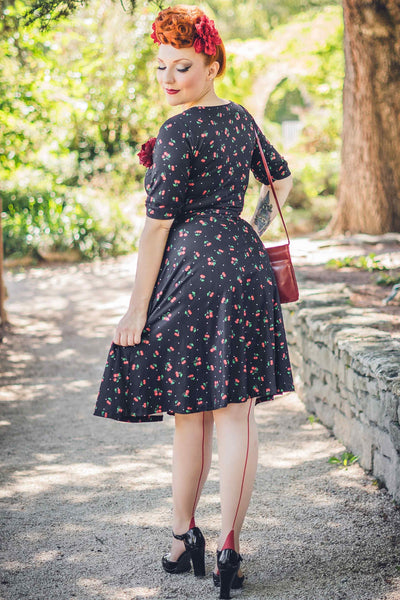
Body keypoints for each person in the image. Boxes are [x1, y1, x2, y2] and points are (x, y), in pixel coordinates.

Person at [94, 5, 295, 598]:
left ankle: (185, 539)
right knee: (238, 415)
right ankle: (230, 544)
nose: (169, 79)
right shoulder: (239, 119)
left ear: (212, 65)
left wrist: (136, 310)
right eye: (161, 67)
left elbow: (156, 228)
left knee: (191, 419)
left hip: (191, 273)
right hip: (245, 265)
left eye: (182, 66)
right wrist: (251, 230)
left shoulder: (180, 129)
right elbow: (279, 179)